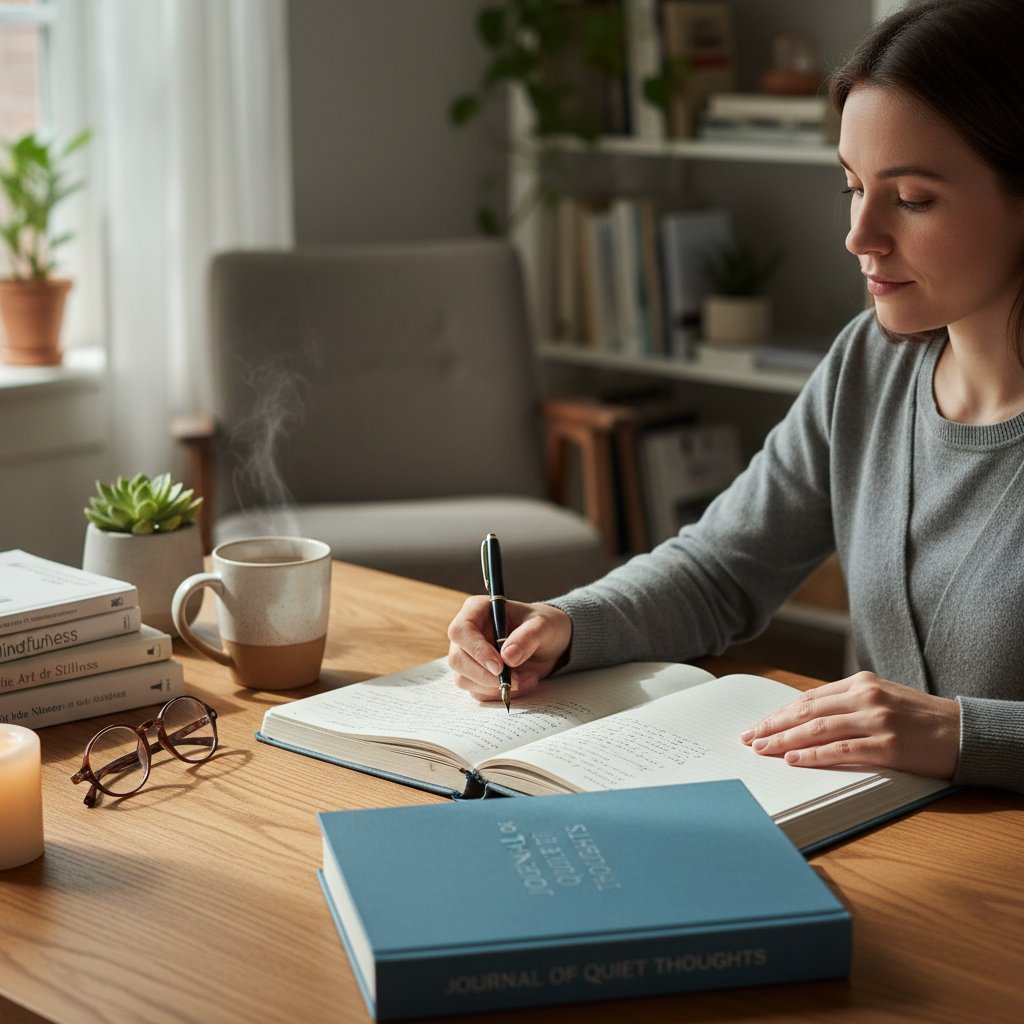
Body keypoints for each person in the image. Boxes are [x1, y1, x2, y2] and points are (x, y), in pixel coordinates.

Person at [447, 0, 1024, 792]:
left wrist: (967, 734)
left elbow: (948, 735)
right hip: (882, 833)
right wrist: (565, 624)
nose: (860, 234)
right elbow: (721, 570)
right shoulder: (870, 365)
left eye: (913, 198)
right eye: (853, 186)